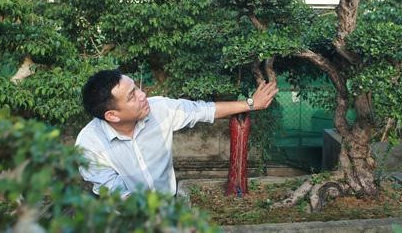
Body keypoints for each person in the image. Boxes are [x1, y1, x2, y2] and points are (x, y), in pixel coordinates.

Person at [75, 69, 278, 197]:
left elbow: (204, 110)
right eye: (132, 96)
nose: (143, 95)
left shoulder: (160, 109)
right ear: (112, 115)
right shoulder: (90, 144)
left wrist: (251, 104)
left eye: (136, 88)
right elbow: (115, 193)